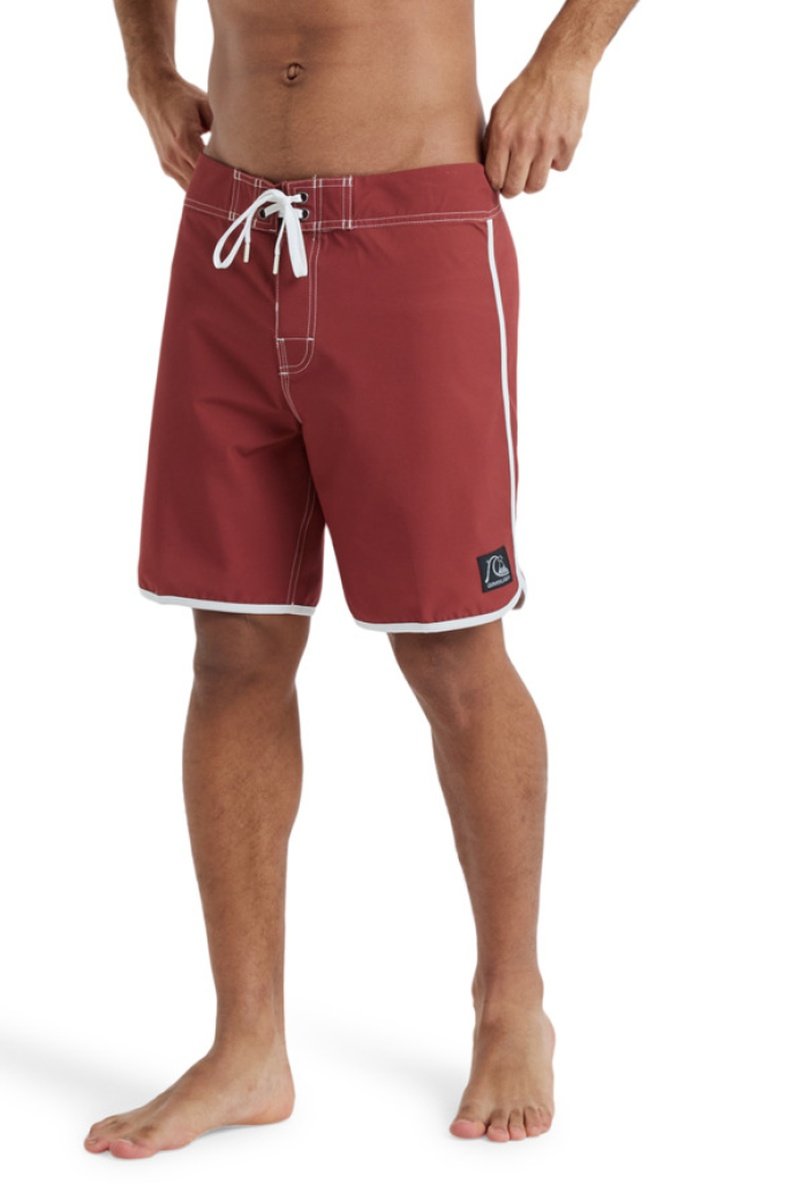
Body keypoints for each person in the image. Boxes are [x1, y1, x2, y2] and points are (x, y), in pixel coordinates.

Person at [86, 0, 638, 1158]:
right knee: (231, 648)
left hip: (412, 227)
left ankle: (510, 1004)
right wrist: (147, 65)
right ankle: (248, 1049)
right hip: (231, 232)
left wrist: (568, 56)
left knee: (450, 648)